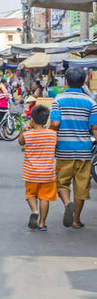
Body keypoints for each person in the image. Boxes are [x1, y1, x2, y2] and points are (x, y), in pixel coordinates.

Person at [49, 67, 97, 228]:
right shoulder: (91, 102)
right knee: (81, 186)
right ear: (84, 82)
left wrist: (48, 137)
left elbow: (55, 124)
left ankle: (67, 203)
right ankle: (76, 220)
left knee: (62, 183)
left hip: (64, 149)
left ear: (66, 81)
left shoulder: (58, 100)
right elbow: (95, 128)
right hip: (84, 149)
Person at [18, 105, 56, 231]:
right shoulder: (52, 135)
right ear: (47, 120)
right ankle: (42, 223)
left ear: (32, 120)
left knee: (30, 194)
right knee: (45, 198)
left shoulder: (29, 135)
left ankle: (35, 211)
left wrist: (24, 130)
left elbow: (20, 142)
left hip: (31, 173)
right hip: (47, 174)